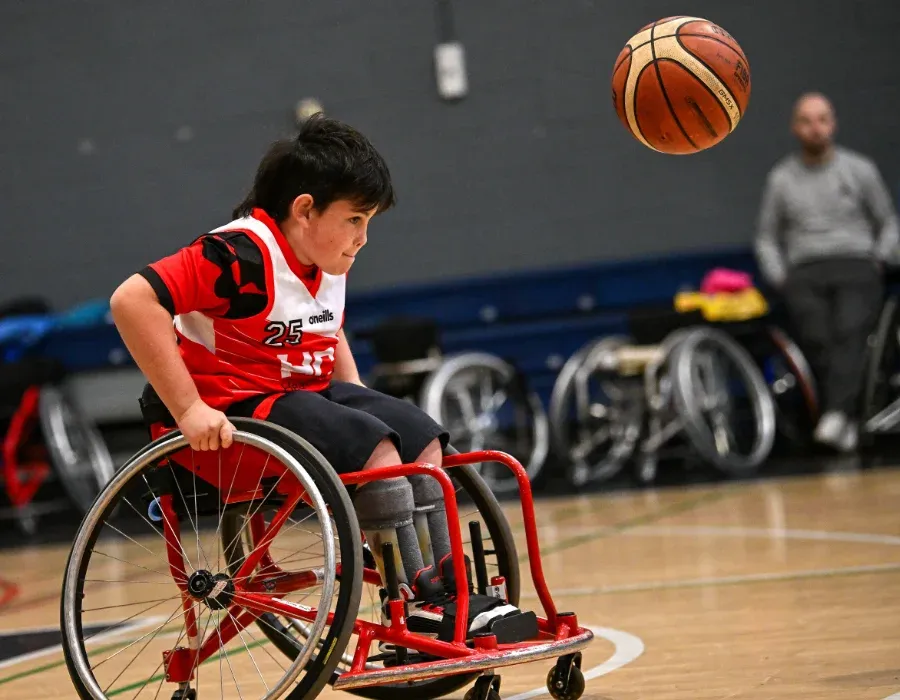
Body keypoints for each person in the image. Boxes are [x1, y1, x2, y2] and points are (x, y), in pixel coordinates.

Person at [110, 114, 532, 642]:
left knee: (419, 436)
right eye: (355, 219)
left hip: (290, 405)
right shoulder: (238, 256)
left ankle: (449, 590)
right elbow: (131, 300)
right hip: (224, 419)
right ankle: (419, 603)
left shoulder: (325, 261)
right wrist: (190, 408)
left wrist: (361, 407)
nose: (363, 237)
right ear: (304, 209)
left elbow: (326, 334)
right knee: (375, 450)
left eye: (369, 222)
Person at [755, 92, 899, 452]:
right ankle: (843, 417)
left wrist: (880, 257)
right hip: (804, 271)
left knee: (850, 329)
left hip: (855, 263)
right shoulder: (781, 180)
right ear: (795, 127)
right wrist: (779, 275)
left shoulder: (859, 170)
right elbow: (766, 237)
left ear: (832, 124)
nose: (815, 128)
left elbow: (888, 221)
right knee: (817, 336)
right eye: (806, 120)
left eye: (822, 120)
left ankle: (835, 416)